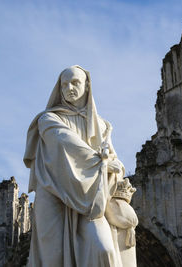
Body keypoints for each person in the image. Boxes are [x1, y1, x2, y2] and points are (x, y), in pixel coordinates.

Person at [24, 65, 126, 267]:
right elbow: (65, 142)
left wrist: (117, 168)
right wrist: (102, 162)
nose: (69, 87)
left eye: (75, 82)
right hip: (54, 193)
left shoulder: (102, 125)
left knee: (103, 249)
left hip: (91, 197)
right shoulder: (48, 119)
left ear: (87, 86)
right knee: (54, 259)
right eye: (64, 84)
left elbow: (116, 162)